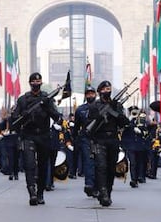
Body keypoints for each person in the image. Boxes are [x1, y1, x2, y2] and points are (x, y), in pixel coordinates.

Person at [11, 72, 62, 206]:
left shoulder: (47, 98)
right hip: (28, 135)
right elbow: (14, 119)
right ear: (30, 83)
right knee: (29, 164)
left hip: (44, 136)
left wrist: (47, 107)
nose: (36, 84)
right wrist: (24, 115)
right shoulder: (23, 100)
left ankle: (40, 193)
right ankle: (31, 191)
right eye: (33, 82)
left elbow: (56, 116)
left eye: (38, 82)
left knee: (43, 165)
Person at [87, 80, 129, 207]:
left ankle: (108, 192)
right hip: (100, 139)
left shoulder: (116, 105)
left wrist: (115, 112)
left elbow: (124, 123)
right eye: (104, 90)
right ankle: (103, 191)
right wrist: (100, 116)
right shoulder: (94, 106)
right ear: (99, 92)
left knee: (111, 168)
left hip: (113, 139)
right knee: (101, 167)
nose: (107, 91)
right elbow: (88, 126)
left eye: (108, 89)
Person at [73, 85, 97, 197]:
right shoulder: (80, 110)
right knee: (88, 162)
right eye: (88, 94)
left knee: (99, 163)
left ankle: (98, 186)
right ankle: (89, 185)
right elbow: (76, 126)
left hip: (98, 138)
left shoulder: (100, 107)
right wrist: (75, 140)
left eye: (92, 93)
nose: (90, 95)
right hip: (85, 138)